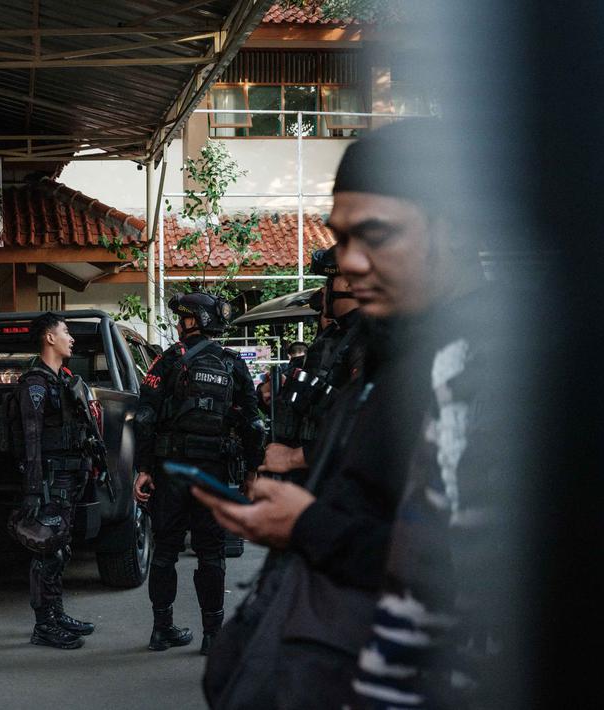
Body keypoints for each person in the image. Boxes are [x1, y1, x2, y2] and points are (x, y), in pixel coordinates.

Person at [195, 119, 485, 708]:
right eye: (341, 236)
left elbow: (487, 580)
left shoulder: (490, 372)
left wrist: (308, 526)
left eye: (376, 235)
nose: (347, 262)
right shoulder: (384, 353)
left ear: (454, 230)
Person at [133, 291, 262, 655]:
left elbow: (144, 418)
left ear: (196, 321)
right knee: (211, 553)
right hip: (213, 473)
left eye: (184, 317)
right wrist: (253, 470)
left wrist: (143, 469)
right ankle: (212, 635)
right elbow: (253, 424)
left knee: (165, 552)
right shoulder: (232, 364)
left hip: (170, 471)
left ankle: (162, 630)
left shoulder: (166, 362)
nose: (178, 323)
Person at [12, 312, 101, 650]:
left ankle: (56, 613)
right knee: (46, 552)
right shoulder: (36, 383)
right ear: (49, 338)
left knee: (61, 549)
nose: (72, 338)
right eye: (66, 332)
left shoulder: (62, 380)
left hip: (67, 477)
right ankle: (44, 625)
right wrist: (34, 490)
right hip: (49, 479)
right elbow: (32, 440)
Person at [266, 246, 365, 483]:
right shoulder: (337, 336)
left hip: (338, 481)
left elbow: (365, 426)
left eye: (331, 279)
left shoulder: (369, 337)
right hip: (313, 477)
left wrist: (293, 458)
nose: (324, 289)